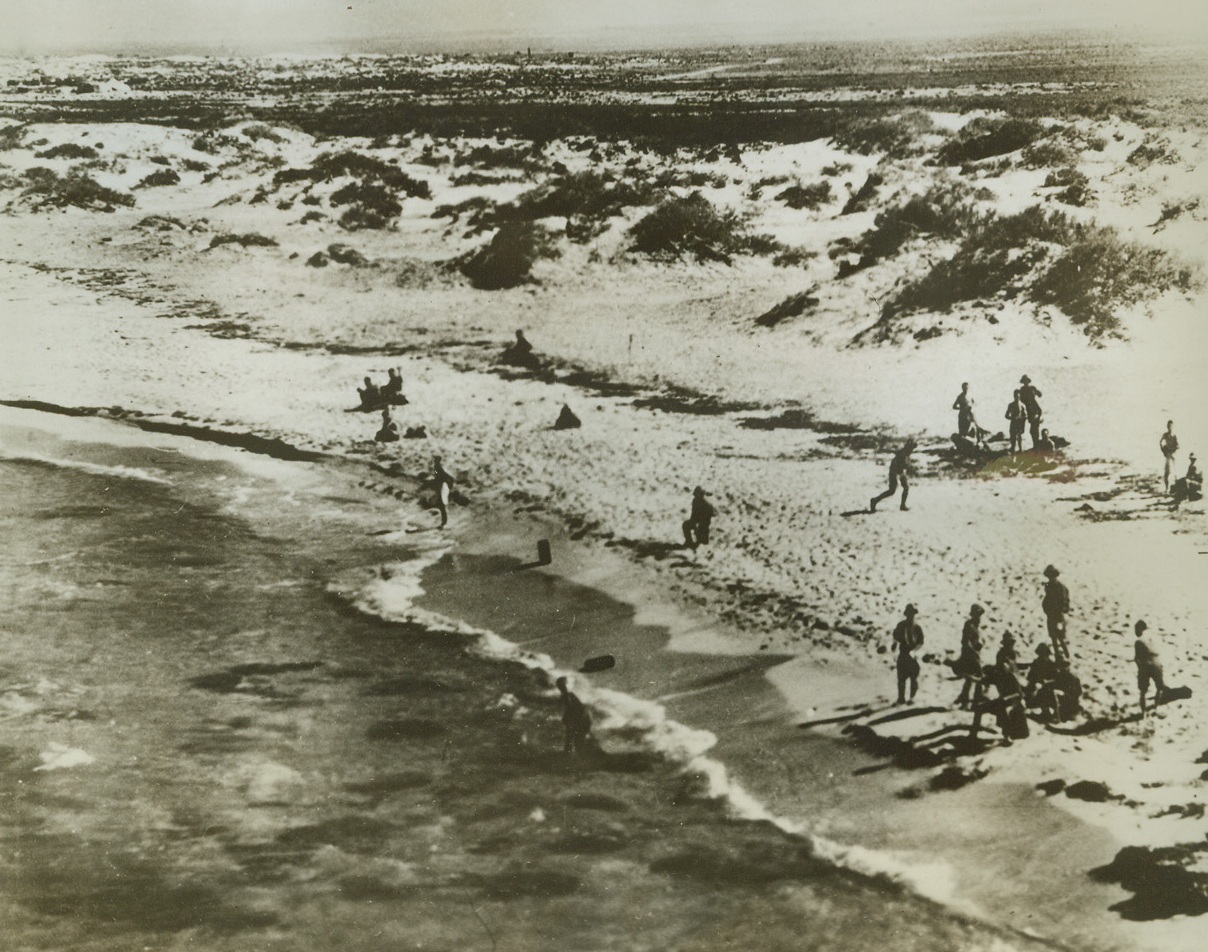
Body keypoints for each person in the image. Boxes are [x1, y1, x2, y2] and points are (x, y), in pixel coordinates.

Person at [953, 604, 985, 708]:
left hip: (974, 655)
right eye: (978, 615)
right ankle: (975, 701)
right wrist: (974, 649)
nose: (979, 618)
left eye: (980, 615)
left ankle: (964, 700)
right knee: (979, 677)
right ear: (974, 615)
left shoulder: (975, 626)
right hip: (969, 655)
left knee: (970, 678)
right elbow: (965, 641)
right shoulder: (969, 625)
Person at [870, 439, 915, 512]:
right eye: (911, 448)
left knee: (905, 488)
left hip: (898, 472)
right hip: (894, 471)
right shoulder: (903, 454)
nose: (912, 450)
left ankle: (902, 505)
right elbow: (899, 466)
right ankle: (874, 500)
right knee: (892, 491)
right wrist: (901, 475)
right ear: (908, 447)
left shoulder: (906, 454)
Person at [892, 604, 924, 705]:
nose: (911, 616)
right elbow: (895, 637)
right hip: (903, 654)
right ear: (906, 615)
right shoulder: (901, 625)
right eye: (909, 614)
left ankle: (912, 698)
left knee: (914, 677)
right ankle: (901, 698)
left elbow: (921, 642)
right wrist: (894, 645)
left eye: (912, 614)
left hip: (913, 655)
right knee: (901, 678)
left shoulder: (917, 628)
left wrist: (915, 651)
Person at [1133, 620, 1167, 714]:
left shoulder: (1138, 641)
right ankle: (1156, 708)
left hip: (1145, 665)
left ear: (1140, 629)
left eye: (1136, 629)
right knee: (1159, 687)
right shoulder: (1153, 638)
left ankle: (1143, 713)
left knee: (1143, 691)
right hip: (1157, 663)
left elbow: (1137, 658)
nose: (1135, 631)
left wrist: (1140, 668)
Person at [556, 676, 592, 755]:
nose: (560, 688)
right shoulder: (568, 695)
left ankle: (572, 757)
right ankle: (573, 756)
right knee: (575, 739)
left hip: (580, 718)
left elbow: (571, 708)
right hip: (580, 718)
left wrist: (567, 719)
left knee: (575, 739)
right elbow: (571, 708)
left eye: (561, 686)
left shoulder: (567, 695)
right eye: (559, 686)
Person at [1041, 565, 1070, 662]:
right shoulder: (1048, 586)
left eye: (1052, 576)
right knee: (1053, 637)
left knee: (1060, 637)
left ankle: (1066, 655)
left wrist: (1062, 611)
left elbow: (1065, 601)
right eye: (1049, 576)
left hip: (1058, 615)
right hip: (1051, 615)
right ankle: (1058, 655)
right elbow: (1047, 599)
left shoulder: (1061, 587)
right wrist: (1046, 609)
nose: (1051, 578)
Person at [1025, 643, 1060, 716]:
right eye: (1041, 654)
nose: (1043, 656)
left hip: (1047, 686)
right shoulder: (1036, 662)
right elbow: (1030, 676)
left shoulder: (1051, 664)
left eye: (1044, 654)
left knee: (1048, 694)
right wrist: (1034, 682)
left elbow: (1056, 678)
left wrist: (1046, 682)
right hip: (1036, 685)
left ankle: (1050, 712)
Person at [1019, 375, 1043, 449]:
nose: (1026, 383)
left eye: (1026, 381)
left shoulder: (1031, 388)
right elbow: (1020, 399)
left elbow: (1040, 395)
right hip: (1029, 409)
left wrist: (1035, 391)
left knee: (1034, 429)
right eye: (1024, 381)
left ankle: (1036, 445)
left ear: (1028, 381)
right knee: (1034, 429)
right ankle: (1036, 445)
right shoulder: (1022, 390)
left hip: (1034, 408)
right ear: (1023, 382)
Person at [431, 455, 454, 528]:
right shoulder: (437, 467)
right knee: (441, 505)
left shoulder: (438, 467)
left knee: (441, 505)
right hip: (441, 487)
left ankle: (444, 523)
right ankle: (443, 522)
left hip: (442, 488)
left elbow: (443, 477)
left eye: (435, 460)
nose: (433, 461)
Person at [1005, 390, 1027, 455]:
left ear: (1019, 396)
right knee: (1013, 437)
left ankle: (1020, 449)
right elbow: (1006, 415)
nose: (1017, 397)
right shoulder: (1010, 405)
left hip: (1020, 423)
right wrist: (1012, 418)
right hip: (1013, 423)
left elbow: (1025, 415)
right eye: (1015, 396)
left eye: (1018, 396)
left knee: (1019, 436)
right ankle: (1013, 449)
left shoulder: (1022, 405)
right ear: (1013, 396)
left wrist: (1022, 420)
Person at [1160, 421, 1179, 492]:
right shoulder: (1165, 435)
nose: (1169, 428)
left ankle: (1177, 488)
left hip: (1173, 455)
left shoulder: (1174, 435)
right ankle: (1166, 488)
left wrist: (1172, 449)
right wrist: (1163, 450)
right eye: (1168, 426)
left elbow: (1178, 446)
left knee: (1175, 472)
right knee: (1167, 472)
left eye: (1171, 426)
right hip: (1168, 455)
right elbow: (1161, 442)